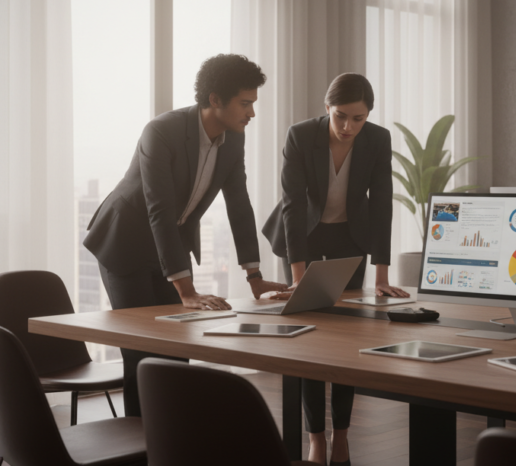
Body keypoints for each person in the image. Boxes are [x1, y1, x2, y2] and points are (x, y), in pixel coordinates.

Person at [83, 54, 287, 417]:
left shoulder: (233, 139)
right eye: (245, 103)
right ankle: (140, 445)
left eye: (253, 104)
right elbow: (158, 208)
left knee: (176, 347)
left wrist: (254, 276)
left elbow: (239, 205)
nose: (251, 114)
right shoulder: (161, 131)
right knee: (141, 350)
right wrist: (186, 291)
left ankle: (175, 441)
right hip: (124, 244)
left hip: (168, 246)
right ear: (214, 100)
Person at [263, 73, 409, 466]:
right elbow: (293, 205)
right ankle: (316, 440)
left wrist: (381, 275)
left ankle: (341, 436)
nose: (348, 127)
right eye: (341, 116)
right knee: (310, 341)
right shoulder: (300, 135)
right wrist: (297, 277)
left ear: (369, 116)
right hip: (304, 238)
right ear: (326, 107)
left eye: (358, 119)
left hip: (350, 237)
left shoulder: (377, 139)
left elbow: (381, 204)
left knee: (345, 339)